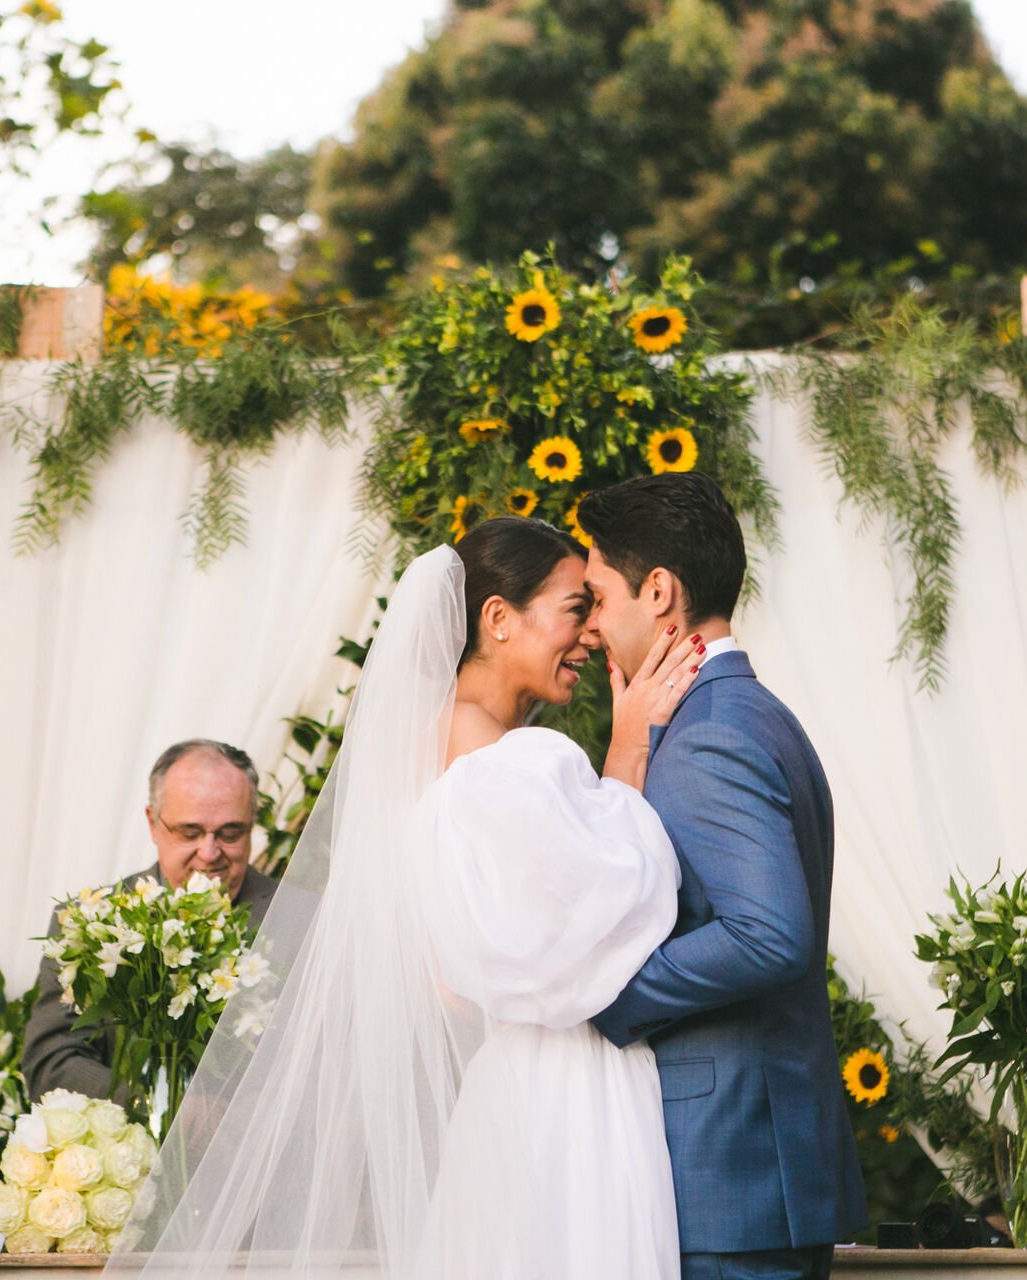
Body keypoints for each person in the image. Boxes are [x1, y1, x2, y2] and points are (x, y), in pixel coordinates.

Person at [105, 517, 704, 1280]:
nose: (590, 634)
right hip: (560, 1091)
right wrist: (629, 745)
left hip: (503, 1089)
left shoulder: (428, 748)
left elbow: (452, 984)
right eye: (573, 607)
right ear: (498, 618)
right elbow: (608, 901)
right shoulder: (494, 757)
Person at [580, 473, 868, 1280]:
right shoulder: (755, 713)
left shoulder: (711, 735)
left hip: (729, 1172)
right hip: (755, 1168)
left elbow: (767, 934)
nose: (593, 625)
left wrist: (610, 993)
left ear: (660, 591)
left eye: (599, 597)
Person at [22, 739, 279, 1102]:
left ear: (252, 824)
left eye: (230, 833)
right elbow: (50, 1061)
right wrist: (155, 1108)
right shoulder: (87, 923)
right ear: (153, 824)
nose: (209, 853)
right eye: (189, 832)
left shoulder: (305, 919)